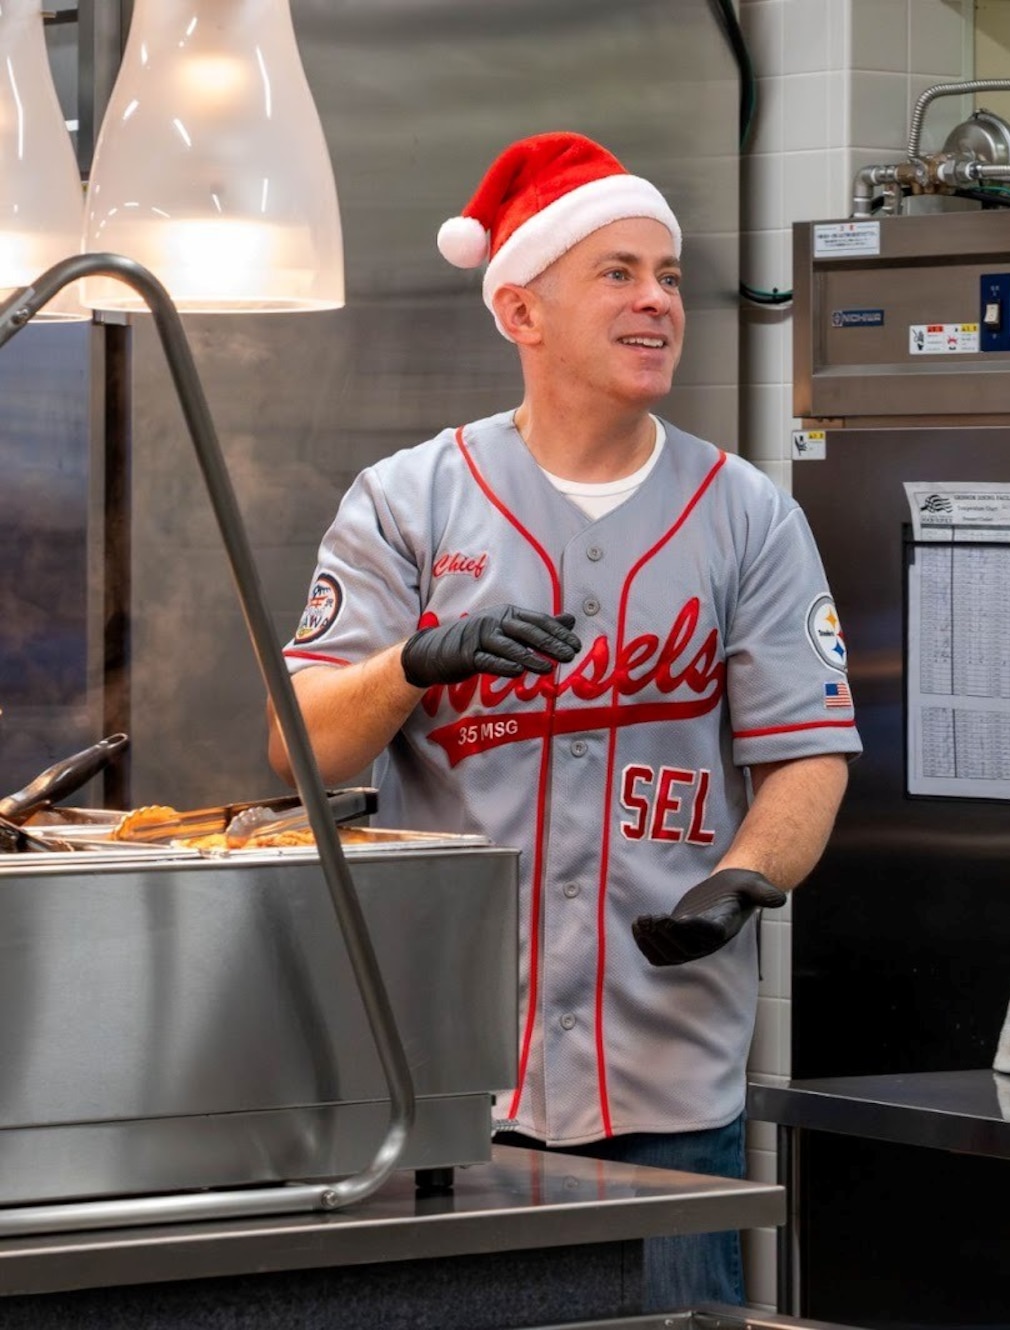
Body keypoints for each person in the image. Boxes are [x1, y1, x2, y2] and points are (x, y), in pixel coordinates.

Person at [272, 132, 858, 1310]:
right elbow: (298, 748)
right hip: (444, 1092)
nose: (656, 302)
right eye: (617, 273)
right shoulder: (411, 499)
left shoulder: (745, 514)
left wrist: (748, 875)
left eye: (668, 275)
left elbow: (806, 754)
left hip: (671, 1088)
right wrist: (414, 661)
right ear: (520, 310)